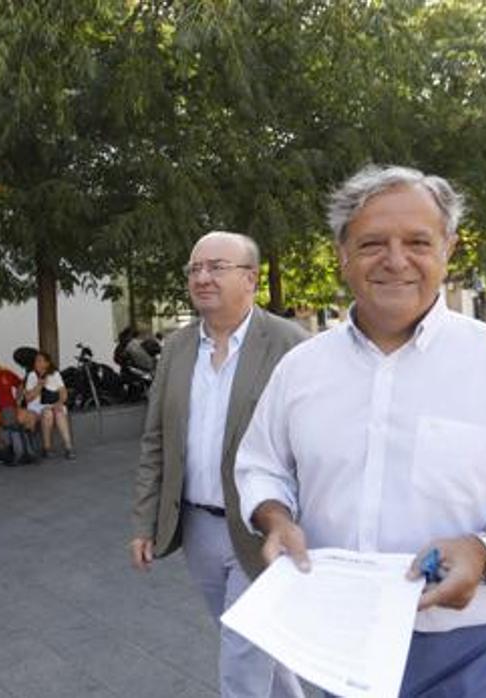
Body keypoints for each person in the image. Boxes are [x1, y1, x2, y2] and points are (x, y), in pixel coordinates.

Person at [235, 165, 486, 697]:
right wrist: (275, 520)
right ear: (341, 253)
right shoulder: (301, 369)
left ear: (448, 249)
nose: (395, 260)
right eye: (371, 243)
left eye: (417, 241)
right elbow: (261, 465)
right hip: (337, 646)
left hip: (472, 656)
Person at [131, 231, 309, 698]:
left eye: (216, 267)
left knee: (242, 650)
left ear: (250, 278)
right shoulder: (176, 347)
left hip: (261, 527)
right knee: (248, 636)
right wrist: (144, 521)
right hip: (198, 527)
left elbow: (317, 444)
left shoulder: (290, 343)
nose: (202, 277)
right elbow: (156, 440)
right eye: (194, 269)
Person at [23, 350, 74, 459]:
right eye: (36, 361)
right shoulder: (32, 375)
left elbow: (63, 392)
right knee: (47, 414)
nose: (38, 364)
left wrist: (60, 403)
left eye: (41, 361)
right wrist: (39, 386)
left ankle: (68, 447)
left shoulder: (55, 374)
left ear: (47, 363)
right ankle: (47, 447)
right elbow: (28, 398)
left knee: (59, 413)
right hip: (36, 406)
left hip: (54, 403)